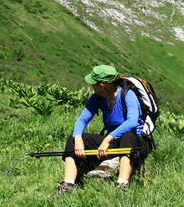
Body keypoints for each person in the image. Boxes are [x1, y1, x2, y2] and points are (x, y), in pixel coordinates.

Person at [57, 65, 149, 195]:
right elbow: (82, 120)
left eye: (93, 84)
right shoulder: (97, 97)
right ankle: (67, 185)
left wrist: (108, 139)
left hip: (133, 142)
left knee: (127, 137)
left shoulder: (128, 95)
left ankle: (122, 185)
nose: (92, 87)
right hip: (112, 142)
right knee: (72, 138)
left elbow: (132, 122)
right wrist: (77, 138)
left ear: (101, 85)